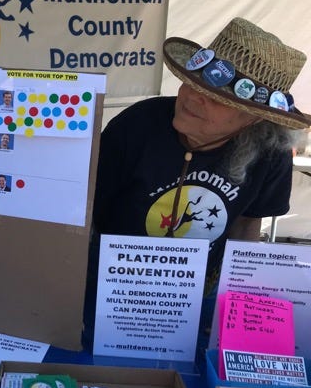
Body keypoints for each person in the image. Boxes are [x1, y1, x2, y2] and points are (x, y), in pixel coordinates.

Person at [83, 17, 310, 350]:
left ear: (253, 117)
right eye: (192, 82)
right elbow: (86, 214)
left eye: (216, 97)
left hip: (195, 299)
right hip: (111, 293)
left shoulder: (270, 152)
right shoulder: (138, 125)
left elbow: (247, 228)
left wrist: (233, 312)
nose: (191, 96)